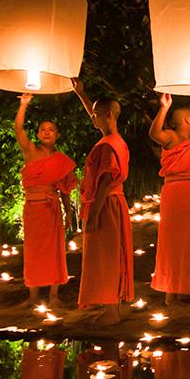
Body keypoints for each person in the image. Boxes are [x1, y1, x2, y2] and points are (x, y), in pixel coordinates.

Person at [71, 79, 134, 325]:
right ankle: (114, 307)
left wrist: (94, 215)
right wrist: (81, 94)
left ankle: (110, 311)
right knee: (112, 253)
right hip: (114, 203)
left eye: (96, 115)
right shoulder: (115, 140)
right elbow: (98, 115)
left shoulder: (108, 146)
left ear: (108, 115)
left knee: (106, 256)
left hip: (105, 205)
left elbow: (106, 181)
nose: (92, 118)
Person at [14, 94, 77, 310]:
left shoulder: (61, 161)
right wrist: (24, 105)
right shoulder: (30, 151)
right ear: (38, 134)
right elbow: (18, 129)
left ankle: (53, 296)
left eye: (51, 129)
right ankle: (32, 295)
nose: (47, 131)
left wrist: (68, 213)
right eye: (43, 129)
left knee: (55, 251)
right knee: (32, 251)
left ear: (57, 135)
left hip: (52, 209)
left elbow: (66, 190)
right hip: (33, 208)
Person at [149, 94, 190, 305]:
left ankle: (186, 288)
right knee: (174, 241)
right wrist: (164, 107)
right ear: (186, 120)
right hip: (177, 194)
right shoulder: (173, 138)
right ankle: (170, 293)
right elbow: (154, 133)